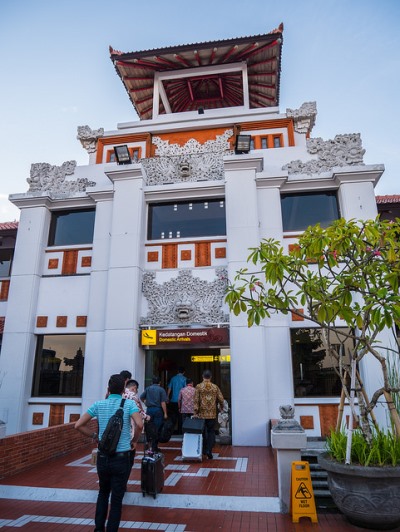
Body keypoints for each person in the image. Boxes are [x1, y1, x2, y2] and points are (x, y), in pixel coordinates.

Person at [75, 373, 143, 532]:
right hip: (122, 456)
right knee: (117, 499)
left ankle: (99, 529)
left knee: (103, 493)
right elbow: (139, 424)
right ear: (123, 390)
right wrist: (134, 440)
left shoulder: (99, 404)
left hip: (103, 457)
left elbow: (78, 425)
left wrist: (95, 436)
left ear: (108, 389)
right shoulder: (129, 404)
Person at [194, 370, 224, 459]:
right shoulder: (215, 387)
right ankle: (209, 450)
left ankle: (203, 450)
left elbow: (196, 400)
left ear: (203, 376)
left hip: (201, 414)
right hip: (212, 414)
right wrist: (221, 407)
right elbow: (221, 399)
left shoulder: (199, 387)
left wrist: (195, 411)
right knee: (211, 432)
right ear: (210, 377)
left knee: (203, 432)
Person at [140, 376, 168, 452]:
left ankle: (149, 445)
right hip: (158, 410)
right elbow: (163, 402)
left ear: (152, 382)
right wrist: (165, 413)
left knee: (149, 427)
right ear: (160, 382)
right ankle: (154, 446)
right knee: (157, 428)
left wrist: (145, 402)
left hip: (149, 410)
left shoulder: (148, 388)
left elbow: (141, 397)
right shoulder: (161, 390)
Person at [167, 367, 187, 433]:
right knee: (181, 416)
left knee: (173, 416)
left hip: (173, 400)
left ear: (177, 371)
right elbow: (185, 390)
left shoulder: (173, 378)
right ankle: (180, 430)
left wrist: (167, 397)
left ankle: (171, 430)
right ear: (184, 372)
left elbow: (169, 388)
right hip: (182, 401)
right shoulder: (185, 379)